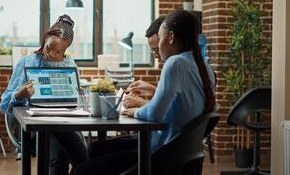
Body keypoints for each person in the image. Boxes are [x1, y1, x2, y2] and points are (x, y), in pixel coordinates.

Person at [74, 10, 216, 175]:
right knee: (96, 149)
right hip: (179, 154)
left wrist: (136, 111)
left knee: (82, 170)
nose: (157, 48)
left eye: (161, 38)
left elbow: (155, 113)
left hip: (161, 156)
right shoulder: (205, 68)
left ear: (170, 37)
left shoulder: (175, 63)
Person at [0, 14, 88, 175]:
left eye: (59, 51)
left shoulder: (70, 64)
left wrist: (79, 95)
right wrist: (18, 95)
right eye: (49, 47)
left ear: (66, 50)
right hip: (35, 127)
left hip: (63, 124)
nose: (52, 54)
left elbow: (77, 99)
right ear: (45, 38)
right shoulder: (27, 62)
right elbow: (4, 104)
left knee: (84, 158)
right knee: (59, 157)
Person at [122, 16, 165, 109]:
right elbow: (168, 99)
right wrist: (153, 89)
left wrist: (140, 103)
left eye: (157, 49)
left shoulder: (175, 65)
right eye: (153, 50)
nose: (155, 55)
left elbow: (164, 110)